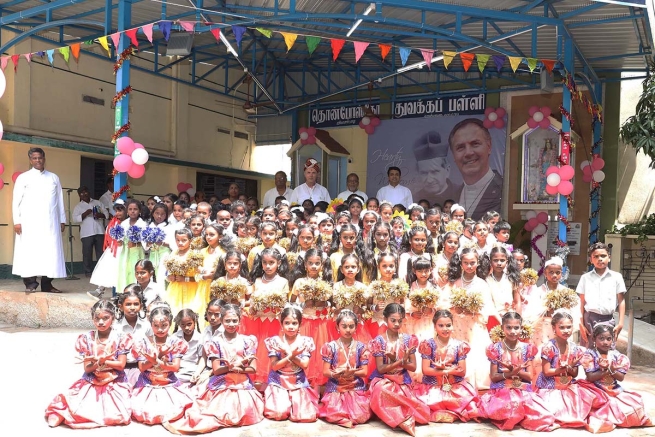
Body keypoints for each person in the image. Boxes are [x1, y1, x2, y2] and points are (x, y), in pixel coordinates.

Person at [166, 304, 264, 433]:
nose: (231, 324)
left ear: (240, 320)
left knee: (245, 413)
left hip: (242, 386)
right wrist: (234, 366)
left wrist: (234, 368)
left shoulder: (247, 341)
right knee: (216, 413)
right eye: (227, 321)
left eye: (234, 321)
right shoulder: (215, 342)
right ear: (222, 321)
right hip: (222, 385)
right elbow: (217, 370)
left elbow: (252, 369)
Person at [45, 299, 133, 428]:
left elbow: (121, 365)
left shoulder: (121, 337)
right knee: (76, 403)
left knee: (118, 415)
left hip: (115, 382)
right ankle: (61, 414)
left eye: (105, 318)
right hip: (92, 380)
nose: (101, 322)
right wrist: (98, 363)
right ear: (92, 319)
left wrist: (104, 361)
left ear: (113, 318)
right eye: (97, 318)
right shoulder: (86, 339)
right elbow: (87, 369)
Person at [477, 311, 557, 431]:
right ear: (502, 328)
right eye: (509, 327)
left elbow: (529, 377)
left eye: (516, 328)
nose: (513, 331)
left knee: (542, 415)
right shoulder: (495, 348)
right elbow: (494, 376)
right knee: (510, 409)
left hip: (522, 390)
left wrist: (516, 371)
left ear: (521, 328)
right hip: (502, 390)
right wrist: (510, 373)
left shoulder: (527, 348)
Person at [368, 303, 430, 435]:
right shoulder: (379, 341)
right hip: (384, 380)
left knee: (413, 405)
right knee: (381, 391)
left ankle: (401, 417)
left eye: (400, 321)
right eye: (393, 320)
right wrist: (401, 361)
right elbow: (380, 369)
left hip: (402, 380)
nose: (397, 324)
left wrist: (397, 361)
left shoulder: (408, 340)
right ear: (385, 319)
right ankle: (401, 421)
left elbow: (413, 367)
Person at [12, 147, 66, 293]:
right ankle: (30, 284)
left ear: (44, 158)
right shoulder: (23, 178)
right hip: (30, 223)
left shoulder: (54, 177)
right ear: (30, 160)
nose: (38, 161)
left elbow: (59, 200)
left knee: (51, 252)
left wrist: (62, 219)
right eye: (34, 158)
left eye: (40, 158)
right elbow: (16, 201)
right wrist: (17, 221)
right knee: (30, 252)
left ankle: (47, 285)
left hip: (50, 223)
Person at [581, 323, 652, 433]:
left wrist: (611, 369)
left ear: (613, 340)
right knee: (599, 406)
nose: (605, 342)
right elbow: (590, 377)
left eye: (609, 339)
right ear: (594, 339)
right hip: (596, 389)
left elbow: (621, 378)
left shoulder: (616, 355)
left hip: (614, 389)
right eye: (601, 338)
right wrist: (605, 371)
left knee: (634, 405)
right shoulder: (589, 355)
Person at [131, 304, 193, 425]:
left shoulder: (175, 342)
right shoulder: (143, 342)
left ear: (170, 324)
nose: (160, 329)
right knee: (143, 412)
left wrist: (156, 361)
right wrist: (158, 358)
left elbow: (175, 367)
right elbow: (142, 368)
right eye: (156, 326)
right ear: (151, 324)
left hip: (169, 384)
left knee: (173, 411)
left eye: (164, 326)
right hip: (147, 384)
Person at [414, 309, 480, 424]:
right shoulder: (428, 344)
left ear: (453, 325)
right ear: (435, 327)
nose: (445, 329)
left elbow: (462, 372)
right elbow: (426, 370)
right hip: (433, 386)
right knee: (425, 406)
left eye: (448, 325)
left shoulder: (459, 345)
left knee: (471, 407)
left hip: (455, 386)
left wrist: (445, 370)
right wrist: (448, 370)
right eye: (441, 325)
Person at [263, 305, 319, 422]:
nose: (291, 327)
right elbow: (275, 366)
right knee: (278, 413)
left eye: (294, 323)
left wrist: (289, 354)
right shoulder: (275, 342)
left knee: (306, 416)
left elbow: (304, 365)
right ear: (281, 324)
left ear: (300, 325)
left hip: (298, 382)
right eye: (287, 323)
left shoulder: (305, 341)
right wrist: (291, 355)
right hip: (278, 382)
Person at [319, 309, 372, 428]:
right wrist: (336, 375)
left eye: (351, 326)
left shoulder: (361, 347)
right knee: (333, 413)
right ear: (338, 327)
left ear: (356, 327)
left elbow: (364, 371)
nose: (348, 330)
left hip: (355, 387)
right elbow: (325, 371)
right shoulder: (330, 347)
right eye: (344, 326)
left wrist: (353, 372)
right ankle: (342, 419)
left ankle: (346, 418)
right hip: (336, 387)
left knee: (360, 416)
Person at [448, 119, 502, 220]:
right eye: (460, 147)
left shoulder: (503, 190)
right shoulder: (452, 195)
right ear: (453, 155)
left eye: (475, 144)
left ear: (489, 146)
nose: (468, 153)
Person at [576, 242, 626, 347]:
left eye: (603, 256)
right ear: (591, 259)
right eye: (596, 256)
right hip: (589, 319)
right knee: (587, 352)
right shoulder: (585, 278)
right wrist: (581, 323)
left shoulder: (616, 277)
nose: (600, 259)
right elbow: (581, 301)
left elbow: (621, 300)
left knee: (607, 351)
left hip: (607, 319)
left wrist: (621, 323)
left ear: (609, 257)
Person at [412, 131, 459, 205]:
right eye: (424, 173)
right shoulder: (414, 199)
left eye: (434, 172)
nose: (429, 180)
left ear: (447, 170)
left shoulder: (461, 194)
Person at [72, 186, 107, 278]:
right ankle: (88, 272)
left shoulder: (98, 202)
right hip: (86, 233)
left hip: (99, 231)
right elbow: (75, 219)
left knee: (101, 253)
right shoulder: (78, 207)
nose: (84, 194)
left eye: (85, 192)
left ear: (89, 192)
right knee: (87, 253)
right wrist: (85, 213)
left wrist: (100, 215)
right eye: (81, 193)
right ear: (79, 195)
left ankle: (102, 271)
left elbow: (106, 215)